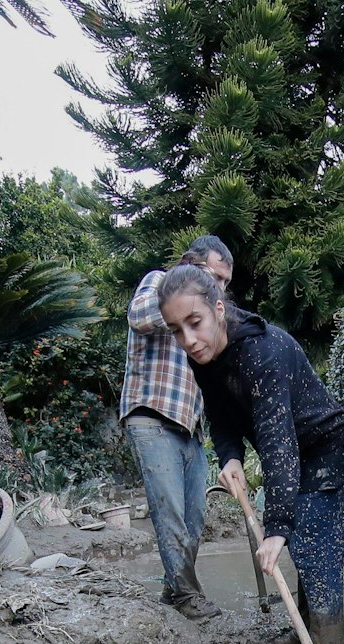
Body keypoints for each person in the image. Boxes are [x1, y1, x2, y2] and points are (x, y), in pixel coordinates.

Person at [155, 262, 344, 644]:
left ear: (218, 309)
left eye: (195, 323)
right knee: (306, 547)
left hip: (326, 450)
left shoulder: (262, 353)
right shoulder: (205, 357)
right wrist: (229, 456)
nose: (188, 340)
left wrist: (277, 527)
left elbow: (278, 442)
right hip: (294, 451)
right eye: (176, 330)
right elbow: (220, 414)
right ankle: (308, 634)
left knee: (314, 550)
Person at [121, 236, 235, 619]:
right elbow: (138, 315)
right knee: (169, 511)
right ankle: (188, 596)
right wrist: (184, 301)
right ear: (189, 263)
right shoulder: (158, 281)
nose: (219, 286)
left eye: (224, 281)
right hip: (151, 415)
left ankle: (174, 592)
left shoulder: (209, 319)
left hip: (191, 427)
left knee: (194, 518)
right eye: (213, 275)